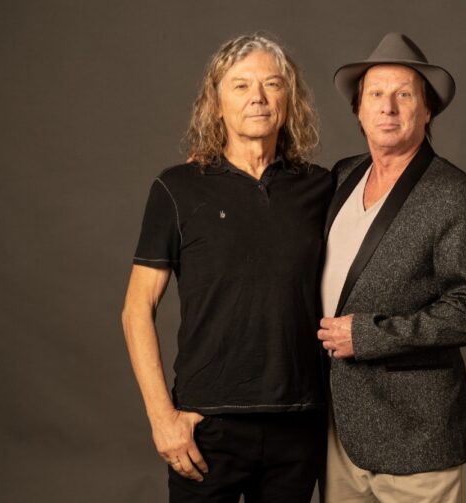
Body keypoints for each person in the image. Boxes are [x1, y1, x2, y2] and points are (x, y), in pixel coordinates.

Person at [122, 34, 331, 503]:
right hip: (205, 426)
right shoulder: (177, 189)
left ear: (289, 100)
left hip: (298, 422)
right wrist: (162, 419)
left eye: (272, 84)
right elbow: (136, 310)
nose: (258, 97)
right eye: (240, 85)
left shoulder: (321, 188)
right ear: (216, 104)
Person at [318, 32, 466, 502]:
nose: (388, 107)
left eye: (404, 95)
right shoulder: (342, 176)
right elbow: (277, 193)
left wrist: (370, 336)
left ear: (427, 110)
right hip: (338, 430)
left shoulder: (456, 195)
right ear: (359, 110)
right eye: (375, 94)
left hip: (417, 434)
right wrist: (214, 166)